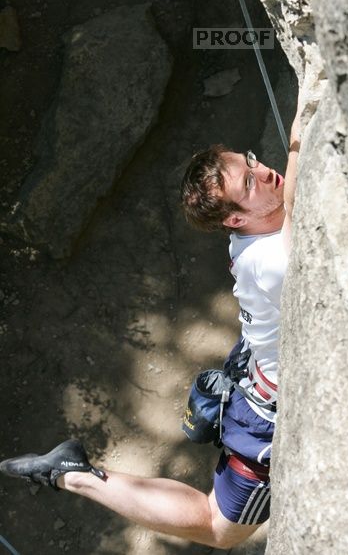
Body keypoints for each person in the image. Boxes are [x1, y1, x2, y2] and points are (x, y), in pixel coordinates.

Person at [0, 103, 301, 550]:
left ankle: (74, 471)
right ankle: (77, 478)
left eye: (251, 160)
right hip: (265, 409)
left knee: (216, 517)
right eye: (249, 180)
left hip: (255, 370)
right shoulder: (269, 258)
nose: (265, 171)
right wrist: (299, 135)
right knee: (220, 529)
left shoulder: (251, 235)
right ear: (234, 219)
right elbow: (297, 211)